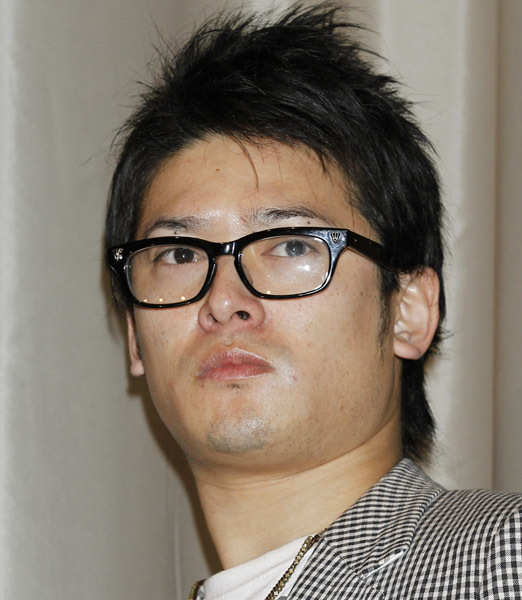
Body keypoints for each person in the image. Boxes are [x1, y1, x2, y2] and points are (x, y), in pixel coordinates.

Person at [105, 3, 521, 598]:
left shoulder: (501, 558)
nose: (224, 301)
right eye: (179, 254)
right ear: (134, 335)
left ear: (409, 310)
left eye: (291, 245)